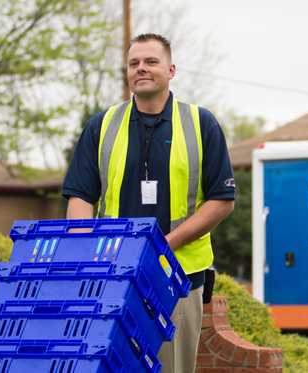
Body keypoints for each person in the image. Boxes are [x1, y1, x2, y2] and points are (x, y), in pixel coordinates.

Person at [62, 33, 235, 373]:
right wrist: (86, 254)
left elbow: (222, 200)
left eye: (150, 62)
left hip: (179, 278)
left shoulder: (201, 124)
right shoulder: (102, 125)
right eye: (133, 63)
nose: (141, 68)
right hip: (112, 277)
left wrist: (161, 248)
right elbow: (81, 195)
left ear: (171, 70)